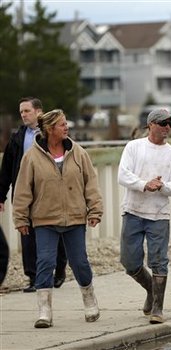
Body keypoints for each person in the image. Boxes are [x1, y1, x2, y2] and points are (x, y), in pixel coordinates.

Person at [13, 109, 103, 328]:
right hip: (45, 219)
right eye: (62, 124)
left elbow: (90, 182)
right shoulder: (32, 156)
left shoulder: (78, 152)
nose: (67, 127)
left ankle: (89, 299)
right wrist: (21, 218)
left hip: (74, 218)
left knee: (79, 262)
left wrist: (95, 210)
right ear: (50, 129)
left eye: (66, 123)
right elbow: (23, 189)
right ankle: (45, 311)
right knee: (45, 262)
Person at [118, 109, 171, 324]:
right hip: (133, 211)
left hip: (159, 214)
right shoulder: (134, 147)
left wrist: (162, 186)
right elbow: (123, 174)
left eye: (170, 124)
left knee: (159, 260)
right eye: (163, 123)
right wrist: (144, 184)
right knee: (129, 262)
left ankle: (158, 307)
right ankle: (151, 290)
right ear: (151, 125)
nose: (167, 127)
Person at [0, 97, 67, 292]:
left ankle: (60, 268)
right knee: (27, 234)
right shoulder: (18, 137)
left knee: (56, 231)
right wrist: (1, 195)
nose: (23, 115)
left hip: (50, 192)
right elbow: (6, 168)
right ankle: (34, 278)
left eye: (27, 111)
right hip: (25, 192)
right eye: (21, 112)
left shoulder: (53, 134)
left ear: (38, 112)